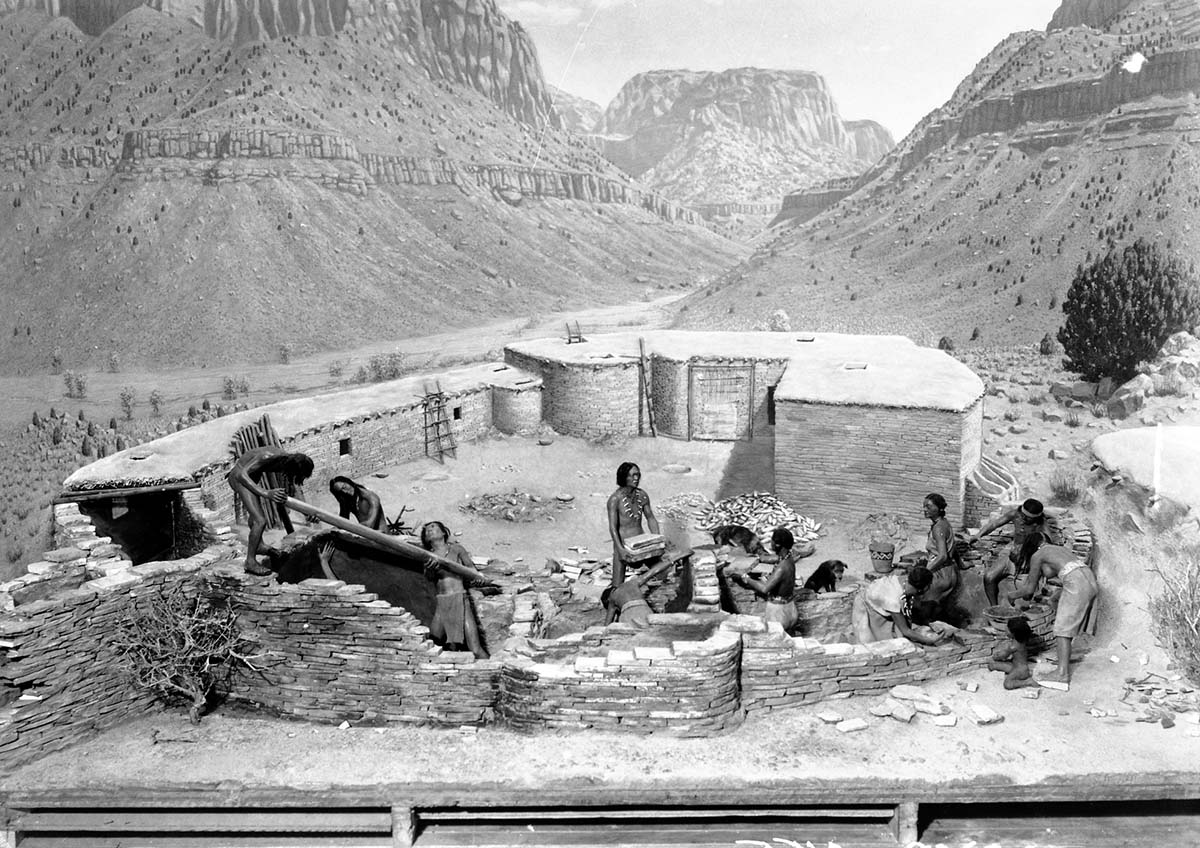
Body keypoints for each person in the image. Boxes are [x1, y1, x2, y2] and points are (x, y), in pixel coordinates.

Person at [1006, 531, 1097, 687]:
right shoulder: (1057, 549)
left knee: (1062, 629)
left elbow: (1028, 589)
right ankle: (1067, 654)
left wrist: (1012, 595)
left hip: (1076, 582)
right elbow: (1061, 571)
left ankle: (1062, 674)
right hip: (1089, 579)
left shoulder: (1038, 555)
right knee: (1058, 606)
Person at [226, 446, 314, 575]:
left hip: (252, 478)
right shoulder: (268, 457)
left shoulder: (288, 462)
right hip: (239, 479)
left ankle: (259, 545)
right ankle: (250, 562)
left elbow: (296, 488)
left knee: (256, 513)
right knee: (260, 520)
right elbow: (241, 475)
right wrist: (266, 492)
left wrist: (307, 513)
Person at [967, 497, 1061, 606]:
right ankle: (994, 607)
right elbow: (994, 524)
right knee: (989, 577)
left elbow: (1048, 546)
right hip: (1012, 554)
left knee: (1027, 594)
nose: (1023, 518)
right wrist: (979, 534)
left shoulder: (1041, 524)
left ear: (1036, 518)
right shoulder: (1016, 514)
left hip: (1028, 559)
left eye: (1027, 518)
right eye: (1023, 515)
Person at [420, 521, 488, 659]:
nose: (429, 530)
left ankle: (495, 670)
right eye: (427, 530)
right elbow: (429, 578)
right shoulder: (427, 555)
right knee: (433, 644)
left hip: (461, 598)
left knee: (475, 648)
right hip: (442, 602)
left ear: (444, 532)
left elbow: (471, 569)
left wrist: (478, 577)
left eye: (433, 527)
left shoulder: (457, 549)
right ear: (426, 539)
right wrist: (430, 568)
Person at [851, 565, 946, 647]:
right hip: (864, 604)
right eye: (929, 585)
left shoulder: (907, 581)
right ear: (923, 588)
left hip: (880, 599)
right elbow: (905, 631)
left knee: (888, 636)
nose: (930, 587)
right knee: (868, 644)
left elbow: (907, 611)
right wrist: (929, 640)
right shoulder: (893, 600)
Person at [730, 527, 799, 633]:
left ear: (777, 545)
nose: (770, 543)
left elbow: (765, 589)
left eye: (771, 540)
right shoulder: (788, 559)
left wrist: (745, 577)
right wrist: (761, 558)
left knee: (775, 644)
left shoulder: (782, 568)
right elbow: (777, 558)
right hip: (790, 608)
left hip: (779, 613)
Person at [606, 461, 661, 589]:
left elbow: (651, 518)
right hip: (624, 546)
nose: (636, 478)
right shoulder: (615, 499)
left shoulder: (642, 495)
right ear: (624, 477)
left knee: (662, 570)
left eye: (638, 475)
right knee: (617, 586)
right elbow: (613, 527)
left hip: (641, 544)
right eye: (632, 475)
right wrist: (620, 549)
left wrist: (657, 540)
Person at [601, 557, 679, 628]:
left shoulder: (612, 597)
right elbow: (654, 571)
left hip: (628, 614)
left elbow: (606, 626)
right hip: (645, 610)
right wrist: (672, 560)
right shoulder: (632, 583)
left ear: (608, 599)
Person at [987, 615, 1035, 689]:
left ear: (1013, 633)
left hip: (1021, 671)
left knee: (1007, 684)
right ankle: (1015, 674)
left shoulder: (1013, 647)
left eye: (1007, 629)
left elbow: (1003, 656)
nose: (1005, 630)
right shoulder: (1021, 640)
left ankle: (1027, 682)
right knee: (992, 666)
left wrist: (997, 656)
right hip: (1015, 666)